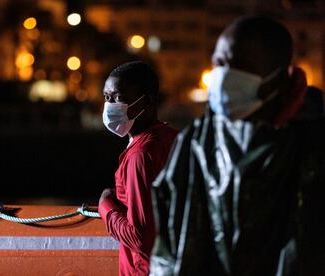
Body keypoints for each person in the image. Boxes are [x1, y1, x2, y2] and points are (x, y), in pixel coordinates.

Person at [150, 16, 325, 276]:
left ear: (277, 78)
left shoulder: (312, 145)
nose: (224, 76)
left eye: (240, 66)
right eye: (219, 64)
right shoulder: (198, 140)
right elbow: (173, 243)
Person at [98, 61, 178, 276]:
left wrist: (106, 206)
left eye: (119, 98)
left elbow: (141, 238)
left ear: (148, 101)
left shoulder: (140, 155)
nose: (110, 105)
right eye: (107, 97)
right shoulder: (171, 139)